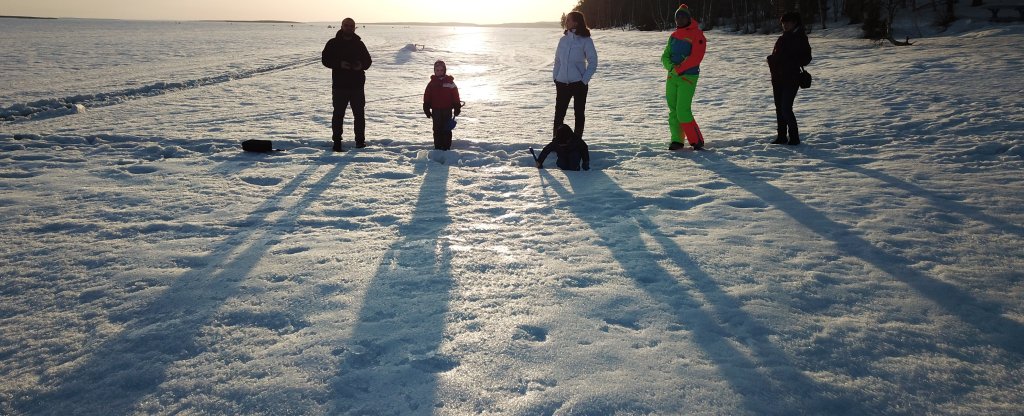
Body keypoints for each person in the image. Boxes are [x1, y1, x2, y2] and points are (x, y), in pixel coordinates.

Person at [322, 17, 372, 151]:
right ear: (342, 26)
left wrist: (359, 65)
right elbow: (325, 60)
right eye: (346, 25)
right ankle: (337, 142)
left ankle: (360, 141)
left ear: (354, 27)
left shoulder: (359, 44)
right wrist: (339, 64)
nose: (349, 28)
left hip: (357, 86)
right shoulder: (333, 43)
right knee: (338, 114)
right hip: (339, 85)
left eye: (351, 26)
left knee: (359, 115)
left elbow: (368, 61)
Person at [661, 4, 707, 151]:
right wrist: (671, 68)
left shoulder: (697, 35)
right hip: (672, 77)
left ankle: (696, 140)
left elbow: (696, 57)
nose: (679, 19)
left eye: (682, 16)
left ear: (688, 18)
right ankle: (677, 140)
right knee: (673, 110)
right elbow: (665, 56)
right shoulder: (673, 36)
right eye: (677, 17)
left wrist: (679, 69)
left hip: (688, 77)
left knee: (682, 110)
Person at [767, 12, 812, 146]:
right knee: (779, 108)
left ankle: (794, 137)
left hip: (791, 78)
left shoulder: (800, 38)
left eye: (788, 22)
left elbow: (807, 58)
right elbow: (777, 56)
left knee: (786, 108)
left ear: (795, 23)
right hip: (777, 78)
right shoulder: (783, 38)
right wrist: (771, 60)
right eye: (783, 23)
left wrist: (790, 62)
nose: (785, 25)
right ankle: (781, 136)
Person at [553, 11, 598, 140]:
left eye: (568, 20)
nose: (565, 22)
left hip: (578, 84)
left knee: (578, 114)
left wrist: (584, 80)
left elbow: (593, 62)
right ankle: (557, 142)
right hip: (562, 83)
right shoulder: (563, 40)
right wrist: (556, 77)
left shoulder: (585, 40)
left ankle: (577, 142)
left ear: (576, 22)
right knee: (559, 115)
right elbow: (557, 60)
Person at [423, 60, 462, 151]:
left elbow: (455, 95)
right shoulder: (432, 84)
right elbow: (427, 96)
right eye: (437, 70)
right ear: (434, 71)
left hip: (447, 110)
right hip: (436, 110)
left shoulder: (449, 82)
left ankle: (446, 147)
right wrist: (426, 107)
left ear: (444, 70)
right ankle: (438, 147)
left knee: (446, 129)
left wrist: (457, 106)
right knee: (437, 129)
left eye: (441, 70)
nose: (439, 72)